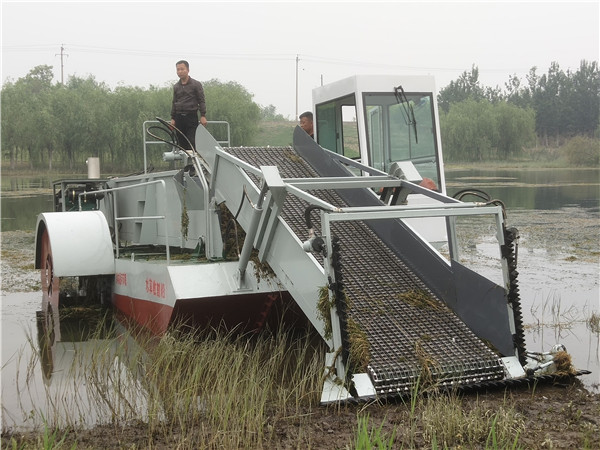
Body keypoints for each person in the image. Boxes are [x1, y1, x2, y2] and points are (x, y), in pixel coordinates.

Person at [170, 60, 207, 150]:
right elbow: (174, 102)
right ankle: (185, 163)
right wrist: (173, 118)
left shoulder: (196, 84)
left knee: (192, 141)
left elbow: (201, 100)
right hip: (179, 117)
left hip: (191, 117)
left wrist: (203, 115)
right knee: (181, 143)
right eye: (178, 70)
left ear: (188, 70)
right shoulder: (176, 86)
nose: (180, 72)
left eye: (182, 69)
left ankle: (193, 163)